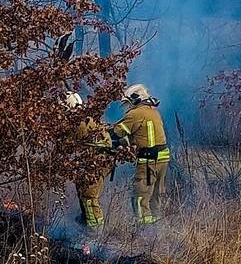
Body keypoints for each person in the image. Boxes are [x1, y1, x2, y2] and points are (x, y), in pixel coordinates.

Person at [111, 83, 170, 225]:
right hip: (162, 159)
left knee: (140, 196)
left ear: (135, 99)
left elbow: (117, 132)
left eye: (128, 103)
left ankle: (144, 229)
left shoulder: (136, 113)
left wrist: (104, 136)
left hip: (149, 161)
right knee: (156, 196)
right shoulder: (154, 111)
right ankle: (158, 227)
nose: (127, 107)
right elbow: (141, 134)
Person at [66, 91, 112, 227]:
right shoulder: (87, 116)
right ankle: (85, 222)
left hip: (96, 161)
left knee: (89, 197)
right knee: (82, 190)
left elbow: (66, 145)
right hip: (96, 160)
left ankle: (95, 231)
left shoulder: (78, 122)